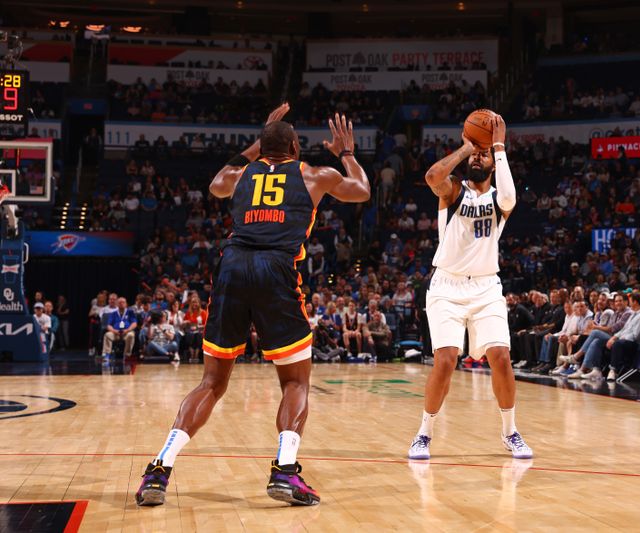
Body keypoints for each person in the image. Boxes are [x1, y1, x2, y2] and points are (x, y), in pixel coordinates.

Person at [136, 104, 370, 507]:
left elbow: (214, 184)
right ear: (296, 147)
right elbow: (362, 190)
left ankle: (159, 468)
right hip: (276, 271)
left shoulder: (241, 174)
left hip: (232, 268)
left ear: (262, 147)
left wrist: (253, 146)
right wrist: (345, 152)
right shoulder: (314, 174)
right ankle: (284, 470)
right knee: (295, 382)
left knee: (212, 383)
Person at [408, 114, 533, 461]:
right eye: (474, 155)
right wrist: (466, 148)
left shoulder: (499, 200)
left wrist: (499, 146)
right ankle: (424, 433)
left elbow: (510, 197)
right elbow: (432, 176)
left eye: (483, 155)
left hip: (485, 287)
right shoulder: (452, 192)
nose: (478, 158)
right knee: (445, 360)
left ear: (493, 162)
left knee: (502, 358)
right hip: (446, 286)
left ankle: (510, 432)